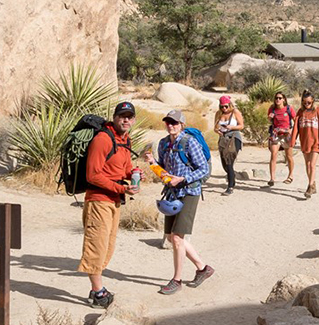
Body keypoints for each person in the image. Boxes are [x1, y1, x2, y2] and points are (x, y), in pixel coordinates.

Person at [144, 110, 214, 295]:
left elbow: (203, 169)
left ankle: (177, 280)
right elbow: (165, 171)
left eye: (174, 122)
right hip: (173, 193)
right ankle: (202, 268)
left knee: (176, 238)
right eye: (167, 122)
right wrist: (152, 163)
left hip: (190, 192)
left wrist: (183, 179)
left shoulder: (189, 142)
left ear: (181, 124)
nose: (170, 125)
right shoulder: (164, 143)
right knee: (171, 237)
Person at [78, 101, 139, 308]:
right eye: (122, 116)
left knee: (108, 246)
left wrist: (134, 174)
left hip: (114, 200)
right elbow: (92, 175)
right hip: (98, 200)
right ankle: (97, 292)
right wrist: (122, 189)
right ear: (114, 117)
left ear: (134, 120)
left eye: (129, 116)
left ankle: (96, 288)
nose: (126, 120)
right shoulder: (103, 139)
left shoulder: (125, 140)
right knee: (97, 246)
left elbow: (126, 167)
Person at [294, 90, 319, 198]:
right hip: (305, 141)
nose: (307, 104)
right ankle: (313, 183)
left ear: (313, 101)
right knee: (307, 164)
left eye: (308, 102)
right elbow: (296, 127)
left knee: (312, 164)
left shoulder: (318, 111)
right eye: (304, 102)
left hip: (316, 141)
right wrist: (292, 140)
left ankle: (309, 186)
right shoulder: (300, 112)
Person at [214, 95, 245, 195]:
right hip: (223, 137)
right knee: (224, 163)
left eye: (226, 106)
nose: (224, 108)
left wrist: (232, 127)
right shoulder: (218, 114)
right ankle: (232, 177)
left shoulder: (235, 112)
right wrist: (218, 131)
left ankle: (230, 187)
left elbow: (241, 126)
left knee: (229, 160)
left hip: (234, 137)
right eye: (222, 106)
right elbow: (215, 127)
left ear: (230, 105)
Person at [266, 91, 296, 187]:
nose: (278, 100)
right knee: (273, 154)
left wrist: (292, 131)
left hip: (287, 135)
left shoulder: (288, 109)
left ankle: (290, 175)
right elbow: (269, 120)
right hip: (276, 134)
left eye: (280, 98)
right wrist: (270, 118)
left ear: (284, 99)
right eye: (276, 98)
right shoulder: (272, 109)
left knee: (289, 156)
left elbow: (295, 120)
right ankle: (272, 178)